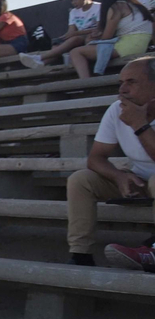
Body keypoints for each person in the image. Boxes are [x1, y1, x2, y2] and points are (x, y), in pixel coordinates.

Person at [64, 57, 155, 269]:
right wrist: (119, 176)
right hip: (141, 181)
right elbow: (95, 158)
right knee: (81, 180)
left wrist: (139, 124)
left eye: (131, 82)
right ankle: (81, 255)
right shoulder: (117, 109)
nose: (122, 89)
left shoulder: (132, 115)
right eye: (121, 82)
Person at [71, 0, 155, 80]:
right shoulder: (138, 5)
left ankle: (86, 82)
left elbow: (107, 36)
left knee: (76, 52)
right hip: (142, 42)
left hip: (129, 45)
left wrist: (93, 40)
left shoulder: (117, 7)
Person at [21, 0, 101, 69]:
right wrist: (64, 37)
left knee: (75, 39)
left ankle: (39, 57)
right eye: (72, 0)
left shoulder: (98, 7)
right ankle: (42, 63)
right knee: (58, 44)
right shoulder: (74, 12)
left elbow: (99, 28)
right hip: (79, 35)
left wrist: (75, 34)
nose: (73, 2)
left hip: (92, 36)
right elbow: (71, 30)